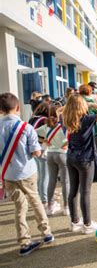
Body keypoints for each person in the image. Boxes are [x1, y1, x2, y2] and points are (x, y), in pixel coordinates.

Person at [0, 93, 54, 256]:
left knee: (19, 207)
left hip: (8, 174)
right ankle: (46, 233)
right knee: (35, 200)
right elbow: (36, 152)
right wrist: (42, 146)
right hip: (26, 171)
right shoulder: (26, 128)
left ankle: (24, 242)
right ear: (17, 108)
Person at [60, 94, 97, 234]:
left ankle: (74, 222)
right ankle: (87, 224)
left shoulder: (66, 118)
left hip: (71, 157)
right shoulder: (87, 119)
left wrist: (70, 106)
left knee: (73, 191)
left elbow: (59, 110)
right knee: (85, 192)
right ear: (82, 106)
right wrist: (92, 104)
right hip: (85, 159)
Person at [36, 105, 69, 216]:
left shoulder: (46, 126)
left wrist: (44, 140)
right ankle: (66, 207)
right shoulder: (62, 125)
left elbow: (33, 132)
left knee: (51, 181)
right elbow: (68, 138)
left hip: (50, 154)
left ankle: (49, 206)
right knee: (65, 182)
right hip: (62, 154)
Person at [79, 84, 97, 182]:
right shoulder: (90, 101)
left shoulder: (77, 100)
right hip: (93, 129)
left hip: (81, 130)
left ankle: (86, 175)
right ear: (89, 91)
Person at [28, 102, 51, 208]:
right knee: (44, 176)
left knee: (39, 176)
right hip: (42, 149)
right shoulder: (43, 120)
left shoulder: (32, 118)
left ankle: (39, 196)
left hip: (33, 149)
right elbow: (43, 135)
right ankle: (44, 199)